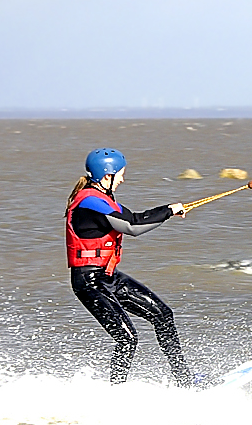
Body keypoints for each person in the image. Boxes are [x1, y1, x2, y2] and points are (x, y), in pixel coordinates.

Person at [66, 147, 192, 386]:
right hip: (88, 282)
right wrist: (168, 212)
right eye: (120, 174)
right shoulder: (91, 202)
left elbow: (136, 217)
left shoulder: (103, 200)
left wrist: (169, 210)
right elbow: (132, 228)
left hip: (107, 277)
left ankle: (185, 380)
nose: (123, 179)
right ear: (107, 175)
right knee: (127, 338)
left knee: (163, 315)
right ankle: (116, 392)